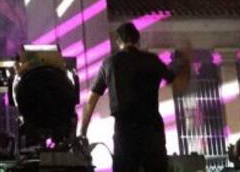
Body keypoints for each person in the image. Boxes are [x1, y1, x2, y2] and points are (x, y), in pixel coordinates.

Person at [77, 22, 189, 172]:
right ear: (138, 40)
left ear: (118, 41)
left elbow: (91, 100)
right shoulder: (151, 60)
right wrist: (186, 61)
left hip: (125, 129)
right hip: (152, 128)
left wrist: (82, 131)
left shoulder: (110, 63)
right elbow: (179, 84)